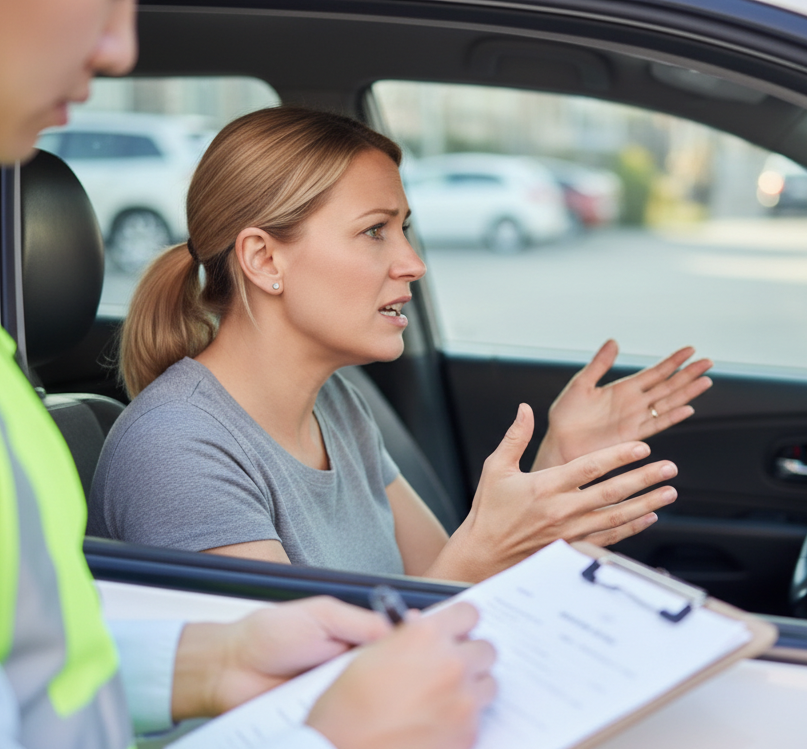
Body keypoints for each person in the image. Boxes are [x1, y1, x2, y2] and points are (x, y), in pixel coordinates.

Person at [0, 2, 496, 749]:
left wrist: (208, 662)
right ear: (263, 260)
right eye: (374, 230)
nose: (122, 47)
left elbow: (13, 652)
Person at [90, 106, 714, 583]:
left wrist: (558, 462)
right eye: (374, 232)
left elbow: (436, 583)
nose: (412, 263)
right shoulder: (175, 452)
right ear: (262, 257)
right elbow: (294, 706)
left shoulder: (337, 406)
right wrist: (480, 556)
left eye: (404, 230)